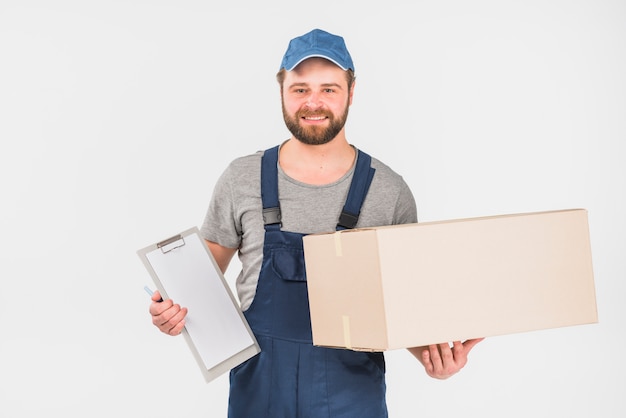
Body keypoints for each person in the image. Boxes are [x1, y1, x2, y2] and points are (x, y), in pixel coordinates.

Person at [149, 28, 483, 417]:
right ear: (282, 91)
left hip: (351, 397)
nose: (314, 102)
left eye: (329, 89)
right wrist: (170, 314)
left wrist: (433, 356)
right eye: (300, 88)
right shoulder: (242, 179)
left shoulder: (388, 192)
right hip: (260, 395)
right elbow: (196, 288)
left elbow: (404, 307)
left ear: (351, 93)